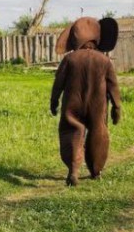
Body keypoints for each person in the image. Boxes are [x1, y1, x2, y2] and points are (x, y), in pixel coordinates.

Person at [50, 17, 122, 186]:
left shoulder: (69, 59)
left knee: (71, 133)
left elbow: (58, 83)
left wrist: (54, 101)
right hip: (97, 106)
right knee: (99, 133)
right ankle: (96, 171)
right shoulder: (104, 61)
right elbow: (113, 86)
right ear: (97, 38)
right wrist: (117, 107)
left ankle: (73, 171)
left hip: (72, 104)